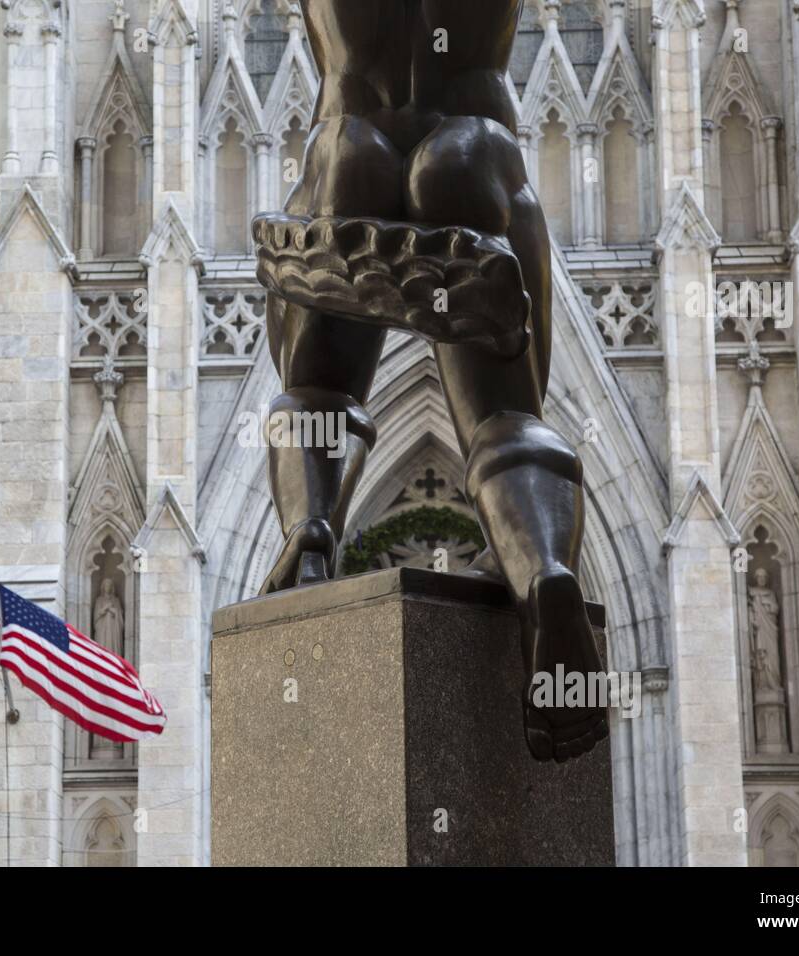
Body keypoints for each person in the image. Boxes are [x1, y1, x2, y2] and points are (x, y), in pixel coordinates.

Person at [256, 0, 605, 761]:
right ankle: (542, 567)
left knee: (318, 392)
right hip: (469, 150)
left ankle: (311, 531)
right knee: (505, 418)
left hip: (350, 149)